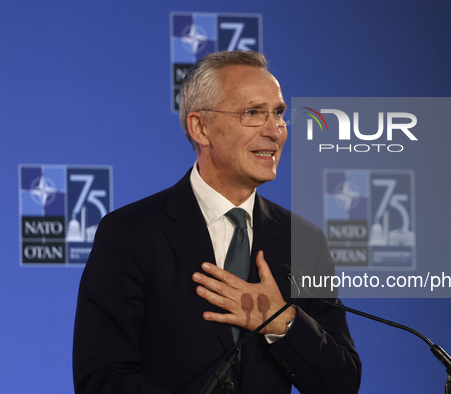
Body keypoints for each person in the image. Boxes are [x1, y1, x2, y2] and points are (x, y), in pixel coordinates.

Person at [72, 51, 361, 394]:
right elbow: (102, 380)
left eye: (279, 114)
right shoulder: (130, 233)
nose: (275, 131)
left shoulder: (305, 241)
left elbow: (341, 384)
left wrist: (282, 322)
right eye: (253, 113)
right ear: (201, 127)